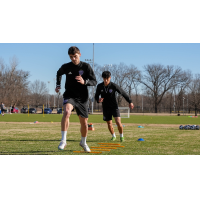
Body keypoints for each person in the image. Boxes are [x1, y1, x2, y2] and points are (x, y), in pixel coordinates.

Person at [55, 46, 97, 152]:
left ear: (80, 54)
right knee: (67, 112)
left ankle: (83, 142)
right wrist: (58, 84)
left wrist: (85, 82)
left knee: (84, 123)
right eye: (71, 57)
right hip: (69, 95)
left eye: (75, 56)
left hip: (82, 98)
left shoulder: (86, 67)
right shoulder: (66, 66)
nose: (73, 59)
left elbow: (94, 81)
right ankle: (63, 140)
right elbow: (59, 73)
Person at [95, 71, 134, 142]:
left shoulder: (114, 86)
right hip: (106, 108)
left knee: (118, 122)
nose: (106, 80)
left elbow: (123, 93)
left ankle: (121, 136)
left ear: (110, 78)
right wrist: (98, 100)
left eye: (107, 78)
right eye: (104, 78)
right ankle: (113, 136)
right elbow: (96, 96)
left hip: (114, 107)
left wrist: (130, 101)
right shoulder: (99, 86)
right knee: (109, 123)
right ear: (102, 78)